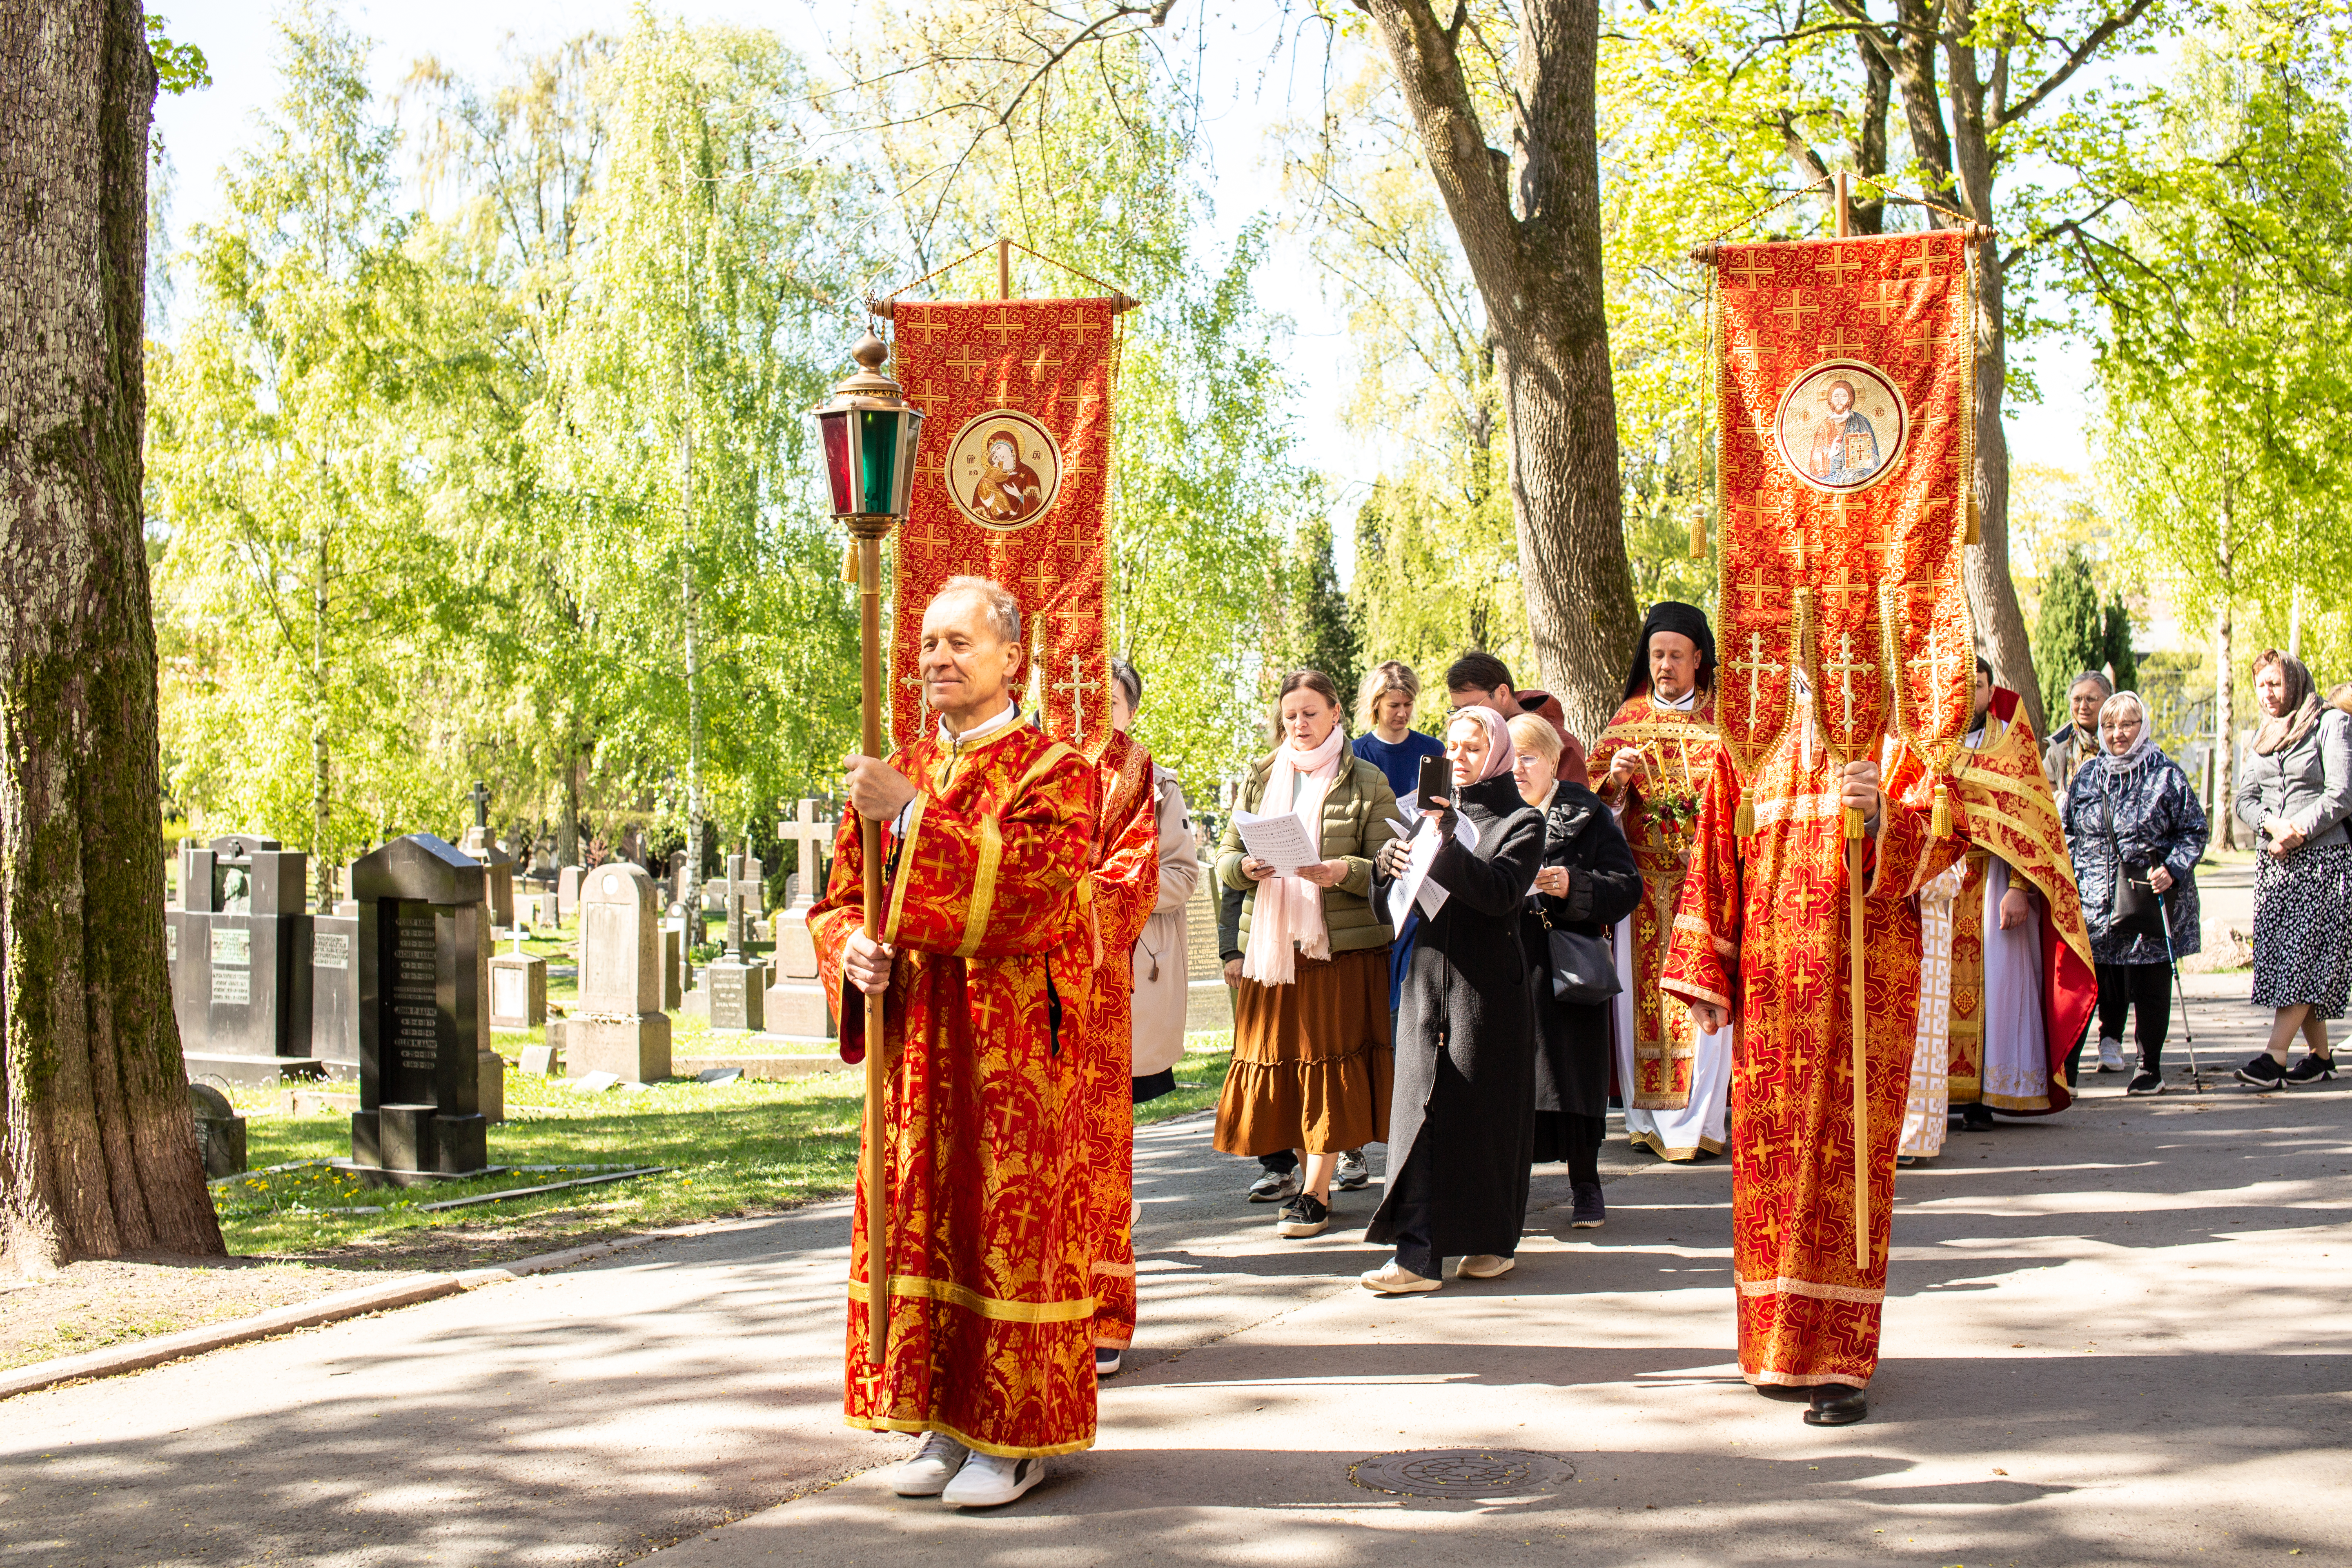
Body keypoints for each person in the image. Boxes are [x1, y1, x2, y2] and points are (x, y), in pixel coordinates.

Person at [810, 577, 1096, 1509]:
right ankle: (937, 1418)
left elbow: (1031, 892)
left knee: (996, 1229)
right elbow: (839, 899)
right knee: (922, 1224)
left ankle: (1011, 1437)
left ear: (1010, 657)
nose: (935, 658)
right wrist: (847, 948)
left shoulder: (1054, 771)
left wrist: (908, 818)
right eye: (927, 642)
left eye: (957, 643)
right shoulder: (898, 768)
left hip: (1005, 1048)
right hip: (915, 1053)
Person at [1662, 726, 1945, 1427]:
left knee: (1847, 1174)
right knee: (1773, 1173)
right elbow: (1715, 853)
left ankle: (1841, 1363)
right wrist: (1706, 972)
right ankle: (1775, 1345)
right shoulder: (1749, 733)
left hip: (1863, 988)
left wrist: (1882, 815)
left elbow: (1949, 836)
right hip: (1774, 990)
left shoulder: (1897, 734)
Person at [1211, 671, 1399, 1241]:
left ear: (1336, 713)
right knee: (1287, 1070)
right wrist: (1244, 869)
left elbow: (1389, 866)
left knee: (1329, 1066)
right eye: (1291, 715)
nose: (1299, 724)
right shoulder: (1262, 776)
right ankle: (1306, 1174)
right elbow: (1225, 860)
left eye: (1311, 713)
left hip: (1337, 951)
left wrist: (1339, 872)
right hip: (1271, 950)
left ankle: (1316, 1190)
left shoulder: (1368, 780)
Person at [1363, 704, 1546, 1292]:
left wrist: (1443, 847)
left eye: (1472, 748)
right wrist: (1387, 867)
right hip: (1426, 980)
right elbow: (1390, 909)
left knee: (1483, 1120)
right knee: (1421, 1109)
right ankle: (1417, 1255)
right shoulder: (1426, 817)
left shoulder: (1521, 822)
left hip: (1487, 991)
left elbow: (1499, 895)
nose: (1459, 758)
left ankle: (1491, 1240)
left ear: (1495, 754)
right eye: (1452, 746)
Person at [1898, 659, 2094, 1163]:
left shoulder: (2011, 742)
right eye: (1960, 687)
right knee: (1934, 994)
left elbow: (2034, 826)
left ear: (1991, 690)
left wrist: (2021, 890)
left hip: (1995, 884)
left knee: (1998, 992)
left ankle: (1986, 1093)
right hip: (1940, 882)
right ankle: (1938, 1094)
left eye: (1978, 686)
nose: (1969, 695)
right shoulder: (1926, 741)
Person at [1589, 601, 1729, 1161]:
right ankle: (1647, 1121)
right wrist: (1616, 783)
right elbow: (1596, 807)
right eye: (1657, 656)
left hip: (1707, 884)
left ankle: (1700, 1125)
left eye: (1675, 655)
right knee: (1640, 1005)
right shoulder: (1627, 722)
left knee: (1705, 1000)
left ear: (1699, 659)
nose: (1665, 666)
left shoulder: (1726, 724)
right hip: (1644, 890)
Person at [1510, 711, 1642, 1227]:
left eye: (1529, 758)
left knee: (1574, 1082)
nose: (1518, 770)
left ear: (1553, 762)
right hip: (1509, 966)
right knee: (1514, 1086)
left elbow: (1626, 887)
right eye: (1511, 759)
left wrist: (1574, 886)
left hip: (1569, 968)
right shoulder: (1489, 812)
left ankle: (1586, 1186)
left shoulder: (1586, 812)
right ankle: (1511, 1190)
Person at [1074, 660, 1164, 1379]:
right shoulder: (1021, 754)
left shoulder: (1132, 767)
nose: (1087, 705)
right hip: (1013, 980)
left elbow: (1137, 869)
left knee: (1097, 1150)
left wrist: (1058, 903)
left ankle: (1102, 1313)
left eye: (1106, 697)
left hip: (1093, 982)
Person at [2059, 690, 2206, 1096]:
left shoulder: (2167, 775)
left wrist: (2172, 869)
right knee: (2088, 983)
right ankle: (2066, 1071)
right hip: (2092, 901)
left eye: (2127, 725)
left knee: (2149, 983)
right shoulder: (2089, 775)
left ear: (2143, 727)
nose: (2117, 733)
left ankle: (2149, 1067)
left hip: (2144, 897)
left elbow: (2194, 831)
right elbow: (2068, 830)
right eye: (2109, 726)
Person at [2231, 649, 2352, 1088]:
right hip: (2276, 865)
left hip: (2323, 863)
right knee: (2292, 958)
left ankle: (2274, 1057)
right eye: (2262, 685)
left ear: (2296, 682)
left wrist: (2297, 830)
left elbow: (2342, 794)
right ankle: (2320, 1056)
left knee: (2304, 958)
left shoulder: (2330, 723)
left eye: (2276, 683)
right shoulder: (2263, 734)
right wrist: (2270, 826)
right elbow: (2244, 800)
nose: (2268, 693)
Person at [1116, 660, 1200, 1109]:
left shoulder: (1160, 785)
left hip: (1135, 961)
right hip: (1060, 964)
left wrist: (1110, 893)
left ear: (1131, 712)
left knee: (1114, 1117)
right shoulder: (1044, 779)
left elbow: (1182, 876)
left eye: (1110, 704)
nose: (1096, 715)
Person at [1444, 651, 1588, 784]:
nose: (1464, 716)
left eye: (1473, 707)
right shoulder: (1458, 747)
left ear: (1502, 694)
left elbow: (1573, 808)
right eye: (1457, 710)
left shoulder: (1562, 744)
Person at [1353, 660, 1447, 800]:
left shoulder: (1434, 749)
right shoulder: (1357, 752)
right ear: (1376, 704)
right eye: (1394, 706)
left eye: (1409, 704)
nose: (1403, 713)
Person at [2043, 671, 2114, 800]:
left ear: (2108, 701)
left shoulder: (2120, 743)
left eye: (2091, 699)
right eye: (2077, 699)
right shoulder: (2059, 747)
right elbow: (2043, 787)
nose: (2083, 706)